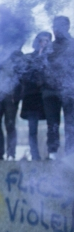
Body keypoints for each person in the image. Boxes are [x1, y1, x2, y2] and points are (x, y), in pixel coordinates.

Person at [46, 16, 74, 157]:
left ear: (67, 27)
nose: (55, 29)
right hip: (50, 91)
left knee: (71, 123)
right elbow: (43, 66)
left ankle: (70, 153)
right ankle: (53, 152)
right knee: (52, 123)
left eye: (59, 26)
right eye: (54, 26)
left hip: (69, 91)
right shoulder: (49, 46)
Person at [21, 32, 51, 161]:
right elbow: (23, 75)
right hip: (31, 97)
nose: (43, 43)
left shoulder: (51, 57)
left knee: (52, 126)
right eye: (41, 40)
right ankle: (35, 155)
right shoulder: (29, 58)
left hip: (46, 97)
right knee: (32, 129)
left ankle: (51, 154)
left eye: (47, 41)